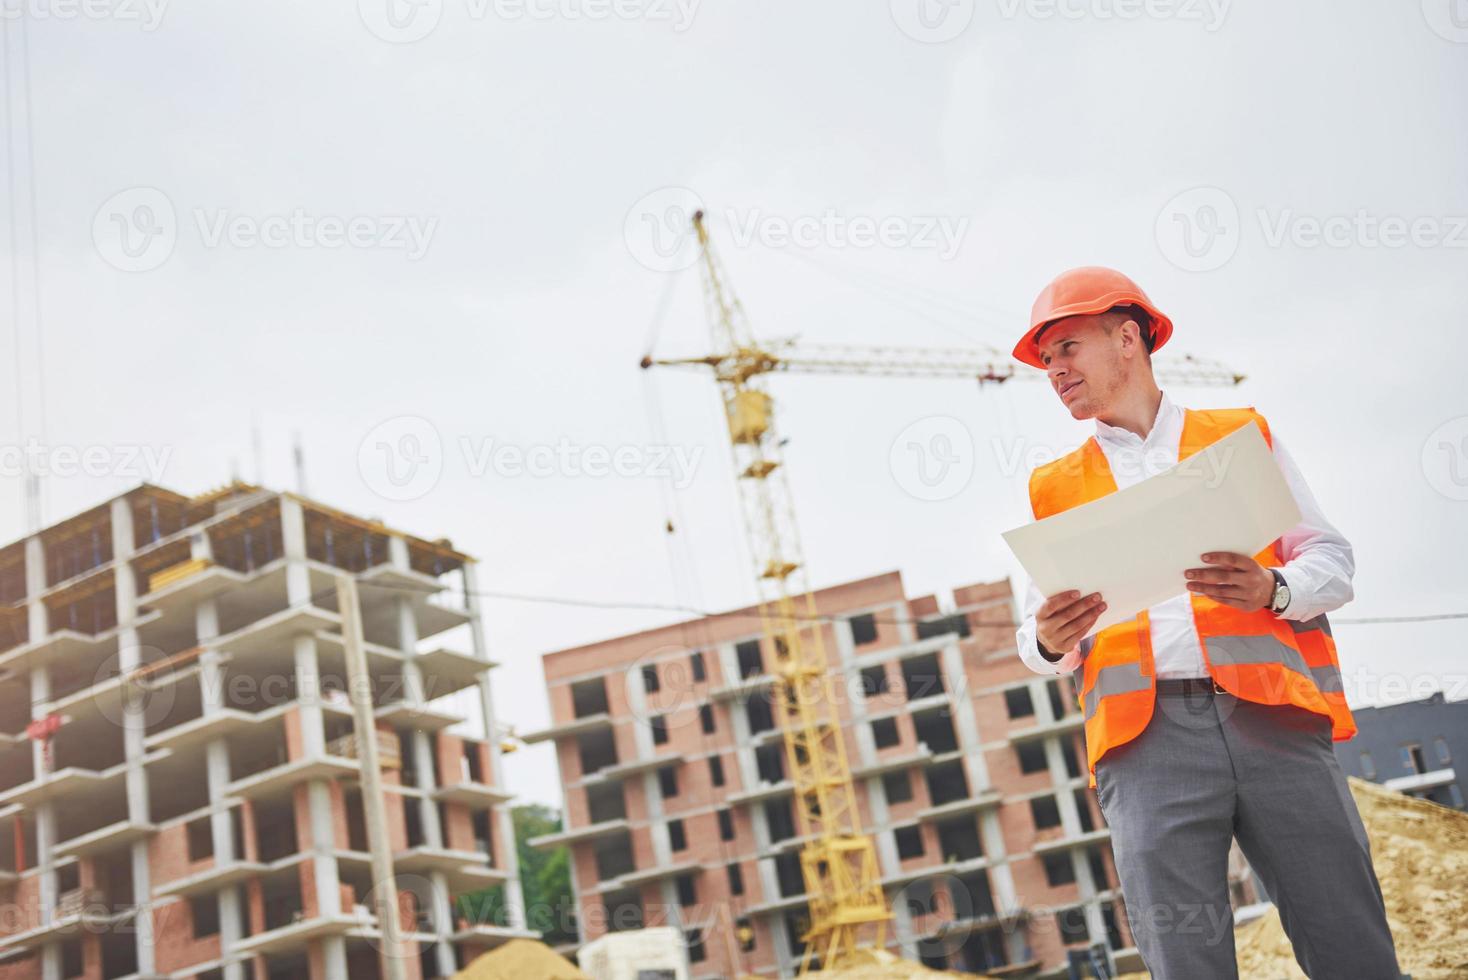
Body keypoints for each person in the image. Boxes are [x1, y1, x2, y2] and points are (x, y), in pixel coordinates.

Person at [1010, 267, 1402, 979]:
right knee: (1184, 963)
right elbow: (1032, 643)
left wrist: (1274, 588)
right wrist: (1048, 639)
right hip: (1144, 744)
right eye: (1045, 361)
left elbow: (1332, 562)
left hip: (1275, 724)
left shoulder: (1238, 437)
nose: (1054, 370)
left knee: (1351, 946)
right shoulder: (1054, 487)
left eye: (1066, 347)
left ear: (1127, 338)